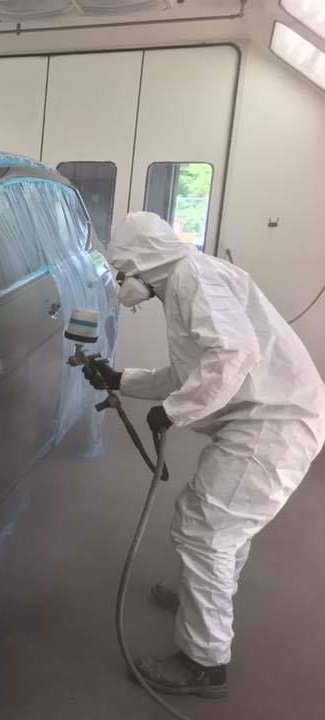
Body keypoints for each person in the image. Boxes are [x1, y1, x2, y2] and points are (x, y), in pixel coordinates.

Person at [84, 212, 325, 698]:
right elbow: (189, 372)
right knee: (221, 523)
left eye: (122, 273)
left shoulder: (193, 278)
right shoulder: (187, 280)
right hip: (267, 416)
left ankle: (203, 662)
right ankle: (204, 596)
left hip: (273, 423)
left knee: (206, 529)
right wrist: (122, 379)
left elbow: (233, 357)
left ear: (141, 262)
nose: (122, 285)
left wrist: (173, 412)